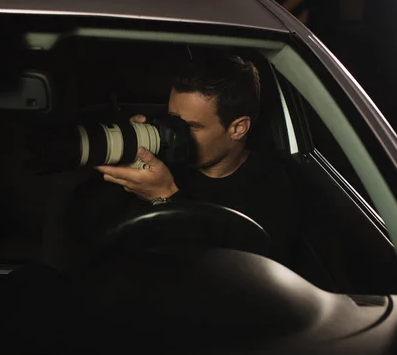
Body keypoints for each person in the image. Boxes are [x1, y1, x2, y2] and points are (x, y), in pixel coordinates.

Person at [65, 54, 301, 264]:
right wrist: (127, 154)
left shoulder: (270, 186)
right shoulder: (162, 158)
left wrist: (165, 197)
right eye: (172, 120)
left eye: (190, 126)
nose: (176, 133)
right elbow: (83, 233)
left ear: (238, 128)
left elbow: (241, 279)